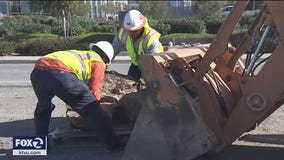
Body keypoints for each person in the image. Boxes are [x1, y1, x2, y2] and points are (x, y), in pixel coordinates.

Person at [30, 41, 121, 150]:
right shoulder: (98, 61)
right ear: (106, 58)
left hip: (38, 72)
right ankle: (114, 145)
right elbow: (94, 90)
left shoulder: (81, 54)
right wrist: (96, 108)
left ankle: (40, 146)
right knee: (94, 109)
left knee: (43, 108)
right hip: (60, 73)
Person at [112, 9, 164, 81]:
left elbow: (153, 66)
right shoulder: (123, 33)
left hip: (155, 66)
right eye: (129, 31)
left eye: (135, 31)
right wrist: (104, 63)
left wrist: (145, 80)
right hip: (136, 64)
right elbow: (113, 50)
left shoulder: (151, 40)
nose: (131, 34)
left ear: (142, 27)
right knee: (128, 84)